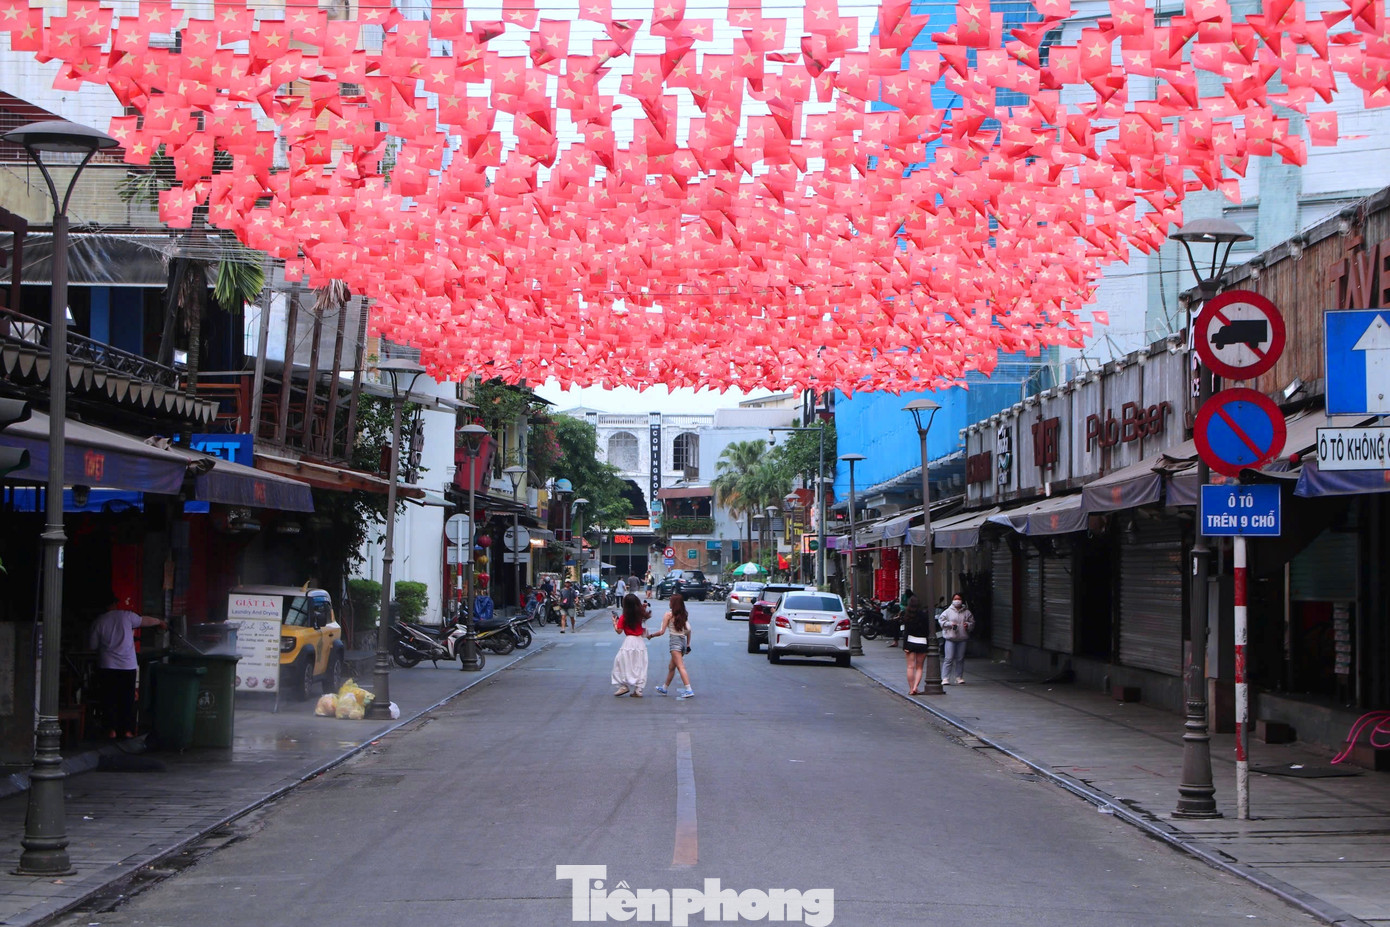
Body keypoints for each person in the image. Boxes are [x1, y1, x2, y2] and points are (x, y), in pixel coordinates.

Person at [89, 594, 166, 739]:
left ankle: (111, 730)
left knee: (109, 698)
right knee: (128, 698)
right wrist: (159, 621)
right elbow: (145, 621)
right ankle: (127, 731)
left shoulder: (99, 621)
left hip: (107, 666)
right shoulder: (127, 616)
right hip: (127, 666)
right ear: (115, 604)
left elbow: (93, 645)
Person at [651, 593, 694, 699]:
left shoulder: (668, 615)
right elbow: (688, 630)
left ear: (673, 603)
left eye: (670, 601)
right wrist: (688, 644)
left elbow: (662, 631)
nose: (669, 603)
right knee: (671, 667)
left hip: (675, 642)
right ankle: (664, 688)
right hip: (683, 641)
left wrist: (651, 635)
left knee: (680, 666)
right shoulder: (684, 614)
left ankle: (689, 689)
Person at [611, 593, 650, 697]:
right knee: (639, 665)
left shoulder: (624, 617)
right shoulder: (641, 615)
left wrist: (615, 623)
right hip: (640, 642)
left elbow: (619, 631)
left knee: (621, 663)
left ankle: (624, 685)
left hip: (629, 642)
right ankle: (638, 689)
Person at [938, 593, 976, 685]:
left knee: (960, 658)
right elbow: (941, 621)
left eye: (959, 599)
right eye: (955, 599)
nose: (957, 601)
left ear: (962, 600)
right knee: (949, 658)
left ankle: (959, 677)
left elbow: (972, 623)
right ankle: (945, 678)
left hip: (962, 638)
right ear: (952, 600)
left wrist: (968, 625)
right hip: (950, 638)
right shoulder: (947, 612)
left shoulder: (967, 612)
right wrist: (950, 624)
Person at [901, 594, 932, 694]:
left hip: (910, 641)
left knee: (910, 667)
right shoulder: (924, 615)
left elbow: (906, 632)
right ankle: (915, 687)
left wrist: (905, 646)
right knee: (919, 667)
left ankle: (910, 689)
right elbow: (928, 630)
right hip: (922, 641)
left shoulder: (907, 615)